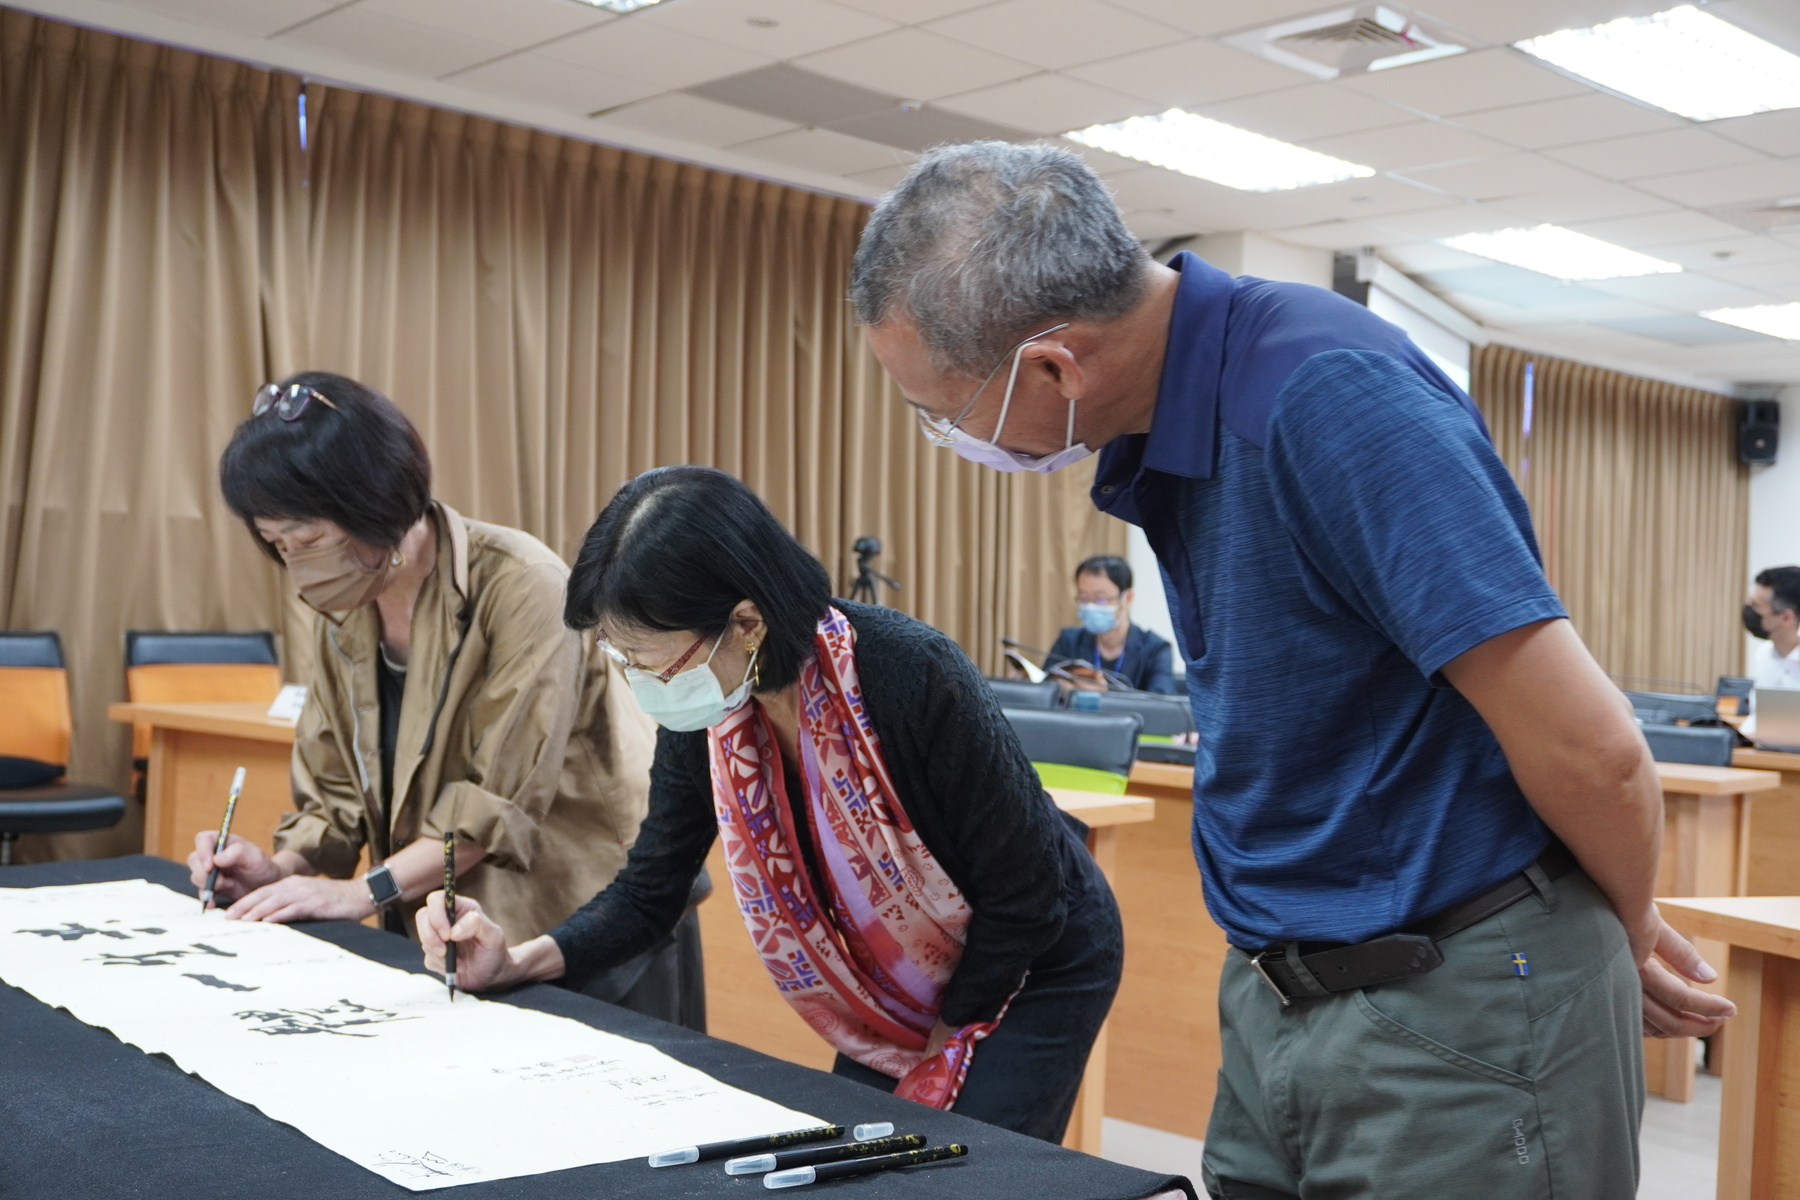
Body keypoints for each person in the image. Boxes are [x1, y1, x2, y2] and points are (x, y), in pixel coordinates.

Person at [850, 141, 1734, 1198]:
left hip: (1455, 999)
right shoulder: (1181, 414)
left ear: (1054, 366)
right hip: (1286, 991)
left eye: (942, 409)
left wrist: (1615, 941)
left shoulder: (1325, 395)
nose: (947, 436)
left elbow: (1593, 749)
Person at [417, 465, 1121, 1142]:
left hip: (1035, 956)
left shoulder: (910, 673)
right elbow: (649, 891)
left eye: (649, 661)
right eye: (620, 661)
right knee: (867, 1161)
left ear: (747, 623)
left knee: (965, 1166)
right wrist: (518, 961)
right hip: (900, 981)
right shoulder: (709, 721)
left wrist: (945, 1039)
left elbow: (1029, 895)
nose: (640, 683)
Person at [188, 372, 698, 1028]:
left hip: (584, 927)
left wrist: (360, 894)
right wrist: (275, 868)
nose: (297, 565)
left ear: (372, 504)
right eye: (279, 546)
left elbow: (495, 804)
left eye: (306, 540)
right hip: (448, 928)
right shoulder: (345, 607)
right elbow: (337, 793)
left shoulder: (523, 585)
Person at [1045, 554, 1178, 694]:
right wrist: (1064, 689)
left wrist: (1105, 696)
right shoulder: (1069, 641)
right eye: (1084, 598)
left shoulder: (1155, 649)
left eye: (1101, 599)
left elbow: (1162, 704)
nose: (1091, 606)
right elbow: (1044, 688)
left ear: (1127, 598)